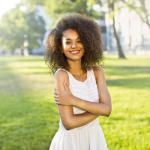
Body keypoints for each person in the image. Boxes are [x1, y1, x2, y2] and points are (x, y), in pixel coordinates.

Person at [44, 13, 112, 150]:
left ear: (87, 42)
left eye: (79, 40)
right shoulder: (61, 75)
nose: (74, 46)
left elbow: (108, 109)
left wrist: (73, 100)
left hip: (94, 139)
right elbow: (69, 123)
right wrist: (99, 109)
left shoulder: (97, 72)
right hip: (70, 143)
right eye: (68, 42)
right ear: (60, 47)